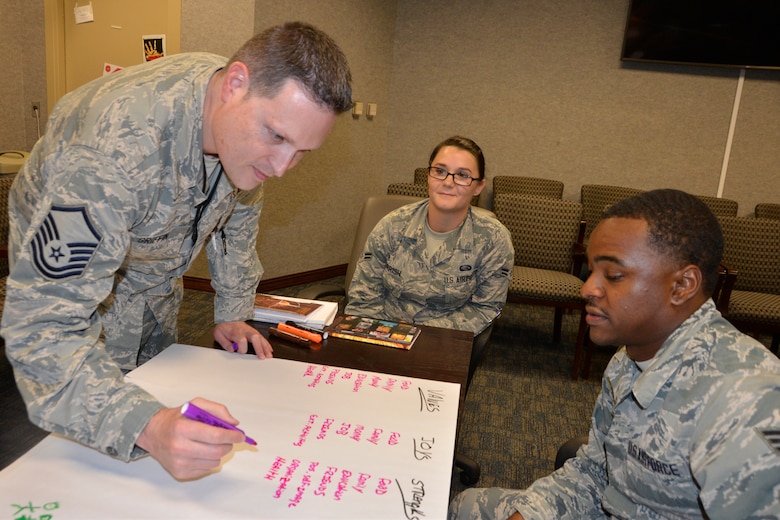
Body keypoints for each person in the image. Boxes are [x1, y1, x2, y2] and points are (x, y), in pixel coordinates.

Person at [1, 22, 352, 481]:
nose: (283, 167)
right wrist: (145, 425)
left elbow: (238, 215)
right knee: (98, 441)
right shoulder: (109, 154)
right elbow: (42, 330)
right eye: (278, 137)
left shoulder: (240, 118)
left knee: (160, 389)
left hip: (157, 272)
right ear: (235, 84)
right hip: (86, 281)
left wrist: (232, 312)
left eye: (302, 151)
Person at [449, 189, 780, 519]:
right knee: (463, 507)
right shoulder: (630, 357)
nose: (587, 289)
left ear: (682, 286)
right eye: (591, 271)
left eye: (613, 276)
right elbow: (595, 472)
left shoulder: (748, 400)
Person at [345, 135, 514, 335]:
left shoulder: (493, 239)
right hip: (382, 333)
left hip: (444, 340)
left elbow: (485, 308)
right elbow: (364, 295)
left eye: (462, 175)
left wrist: (421, 336)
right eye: (440, 171)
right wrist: (377, 335)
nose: (448, 182)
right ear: (428, 175)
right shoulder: (392, 226)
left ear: (478, 186)